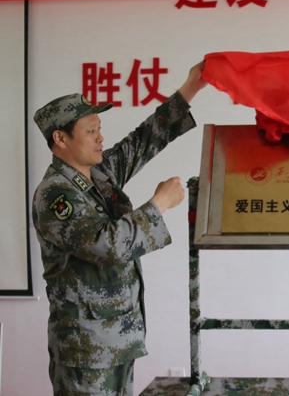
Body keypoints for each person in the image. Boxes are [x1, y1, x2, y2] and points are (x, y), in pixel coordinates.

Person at [32, 61, 207, 396]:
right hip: (86, 350)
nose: (101, 138)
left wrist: (191, 88)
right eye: (90, 131)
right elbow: (107, 246)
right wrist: (158, 204)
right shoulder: (56, 195)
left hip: (117, 339)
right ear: (60, 138)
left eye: (99, 128)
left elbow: (142, 141)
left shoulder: (97, 174)